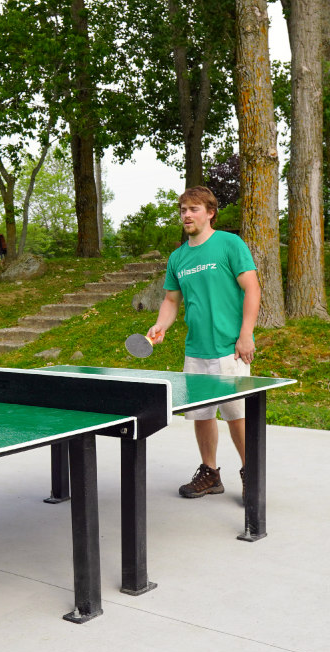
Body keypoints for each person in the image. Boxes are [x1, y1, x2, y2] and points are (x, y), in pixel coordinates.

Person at [147, 186, 260, 499]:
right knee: (202, 414)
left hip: (230, 347)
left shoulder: (229, 244)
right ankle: (210, 472)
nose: (186, 215)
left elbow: (252, 288)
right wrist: (161, 324)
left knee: (236, 414)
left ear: (210, 213)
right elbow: (171, 300)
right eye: (183, 209)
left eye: (193, 209)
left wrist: (246, 333)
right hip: (196, 349)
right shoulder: (178, 257)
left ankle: (251, 470)